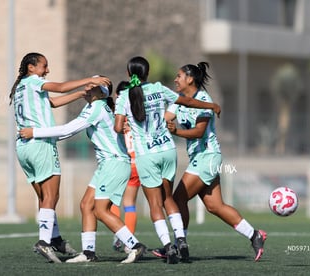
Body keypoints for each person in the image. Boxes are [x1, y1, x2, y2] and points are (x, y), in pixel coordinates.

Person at [19, 79, 147, 264]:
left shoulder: (97, 107)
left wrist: (35, 133)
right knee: (86, 205)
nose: (87, 87)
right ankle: (88, 253)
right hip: (107, 164)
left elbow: (67, 129)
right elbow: (66, 132)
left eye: (92, 85)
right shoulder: (92, 107)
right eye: (88, 84)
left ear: (102, 92)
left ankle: (135, 246)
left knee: (101, 211)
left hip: (115, 163)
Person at [114, 56, 221, 264]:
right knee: (168, 199)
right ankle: (181, 239)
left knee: (155, 204)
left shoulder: (124, 96)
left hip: (147, 155)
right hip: (167, 150)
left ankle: (168, 246)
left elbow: (118, 128)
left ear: (129, 73)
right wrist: (212, 105)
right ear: (147, 72)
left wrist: (126, 123)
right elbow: (188, 101)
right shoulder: (158, 88)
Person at [10, 52, 110, 263]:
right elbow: (62, 87)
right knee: (51, 197)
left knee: (44, 198)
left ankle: (54, 239)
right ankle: (44, 242)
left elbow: (52, 103)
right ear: (31, 67)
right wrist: (90, 80)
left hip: (23, 146)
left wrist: (80, 94)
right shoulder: (35, 81)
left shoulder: (21, 86)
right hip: (40, 144)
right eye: (44, 66)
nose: (47, 70)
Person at [162, 62, 267, 261]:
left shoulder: (203, 99)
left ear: (190, 79)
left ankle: (177, 245)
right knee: (215, 206)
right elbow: (163, 118)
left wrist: (176, 131)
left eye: (179, 76)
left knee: (177, 199)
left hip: (208, 157)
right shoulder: (179, 101)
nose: (175, 80)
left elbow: (199, 132)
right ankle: (255, 235)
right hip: (200, 158)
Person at [110, 81, 141, 253]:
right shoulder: (138, 111)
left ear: (117, 96)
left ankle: (119, 235)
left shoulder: (117, 113)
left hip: (123, 161)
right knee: (130, 204)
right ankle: (130, 243)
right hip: (139, 162)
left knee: (112, 200)